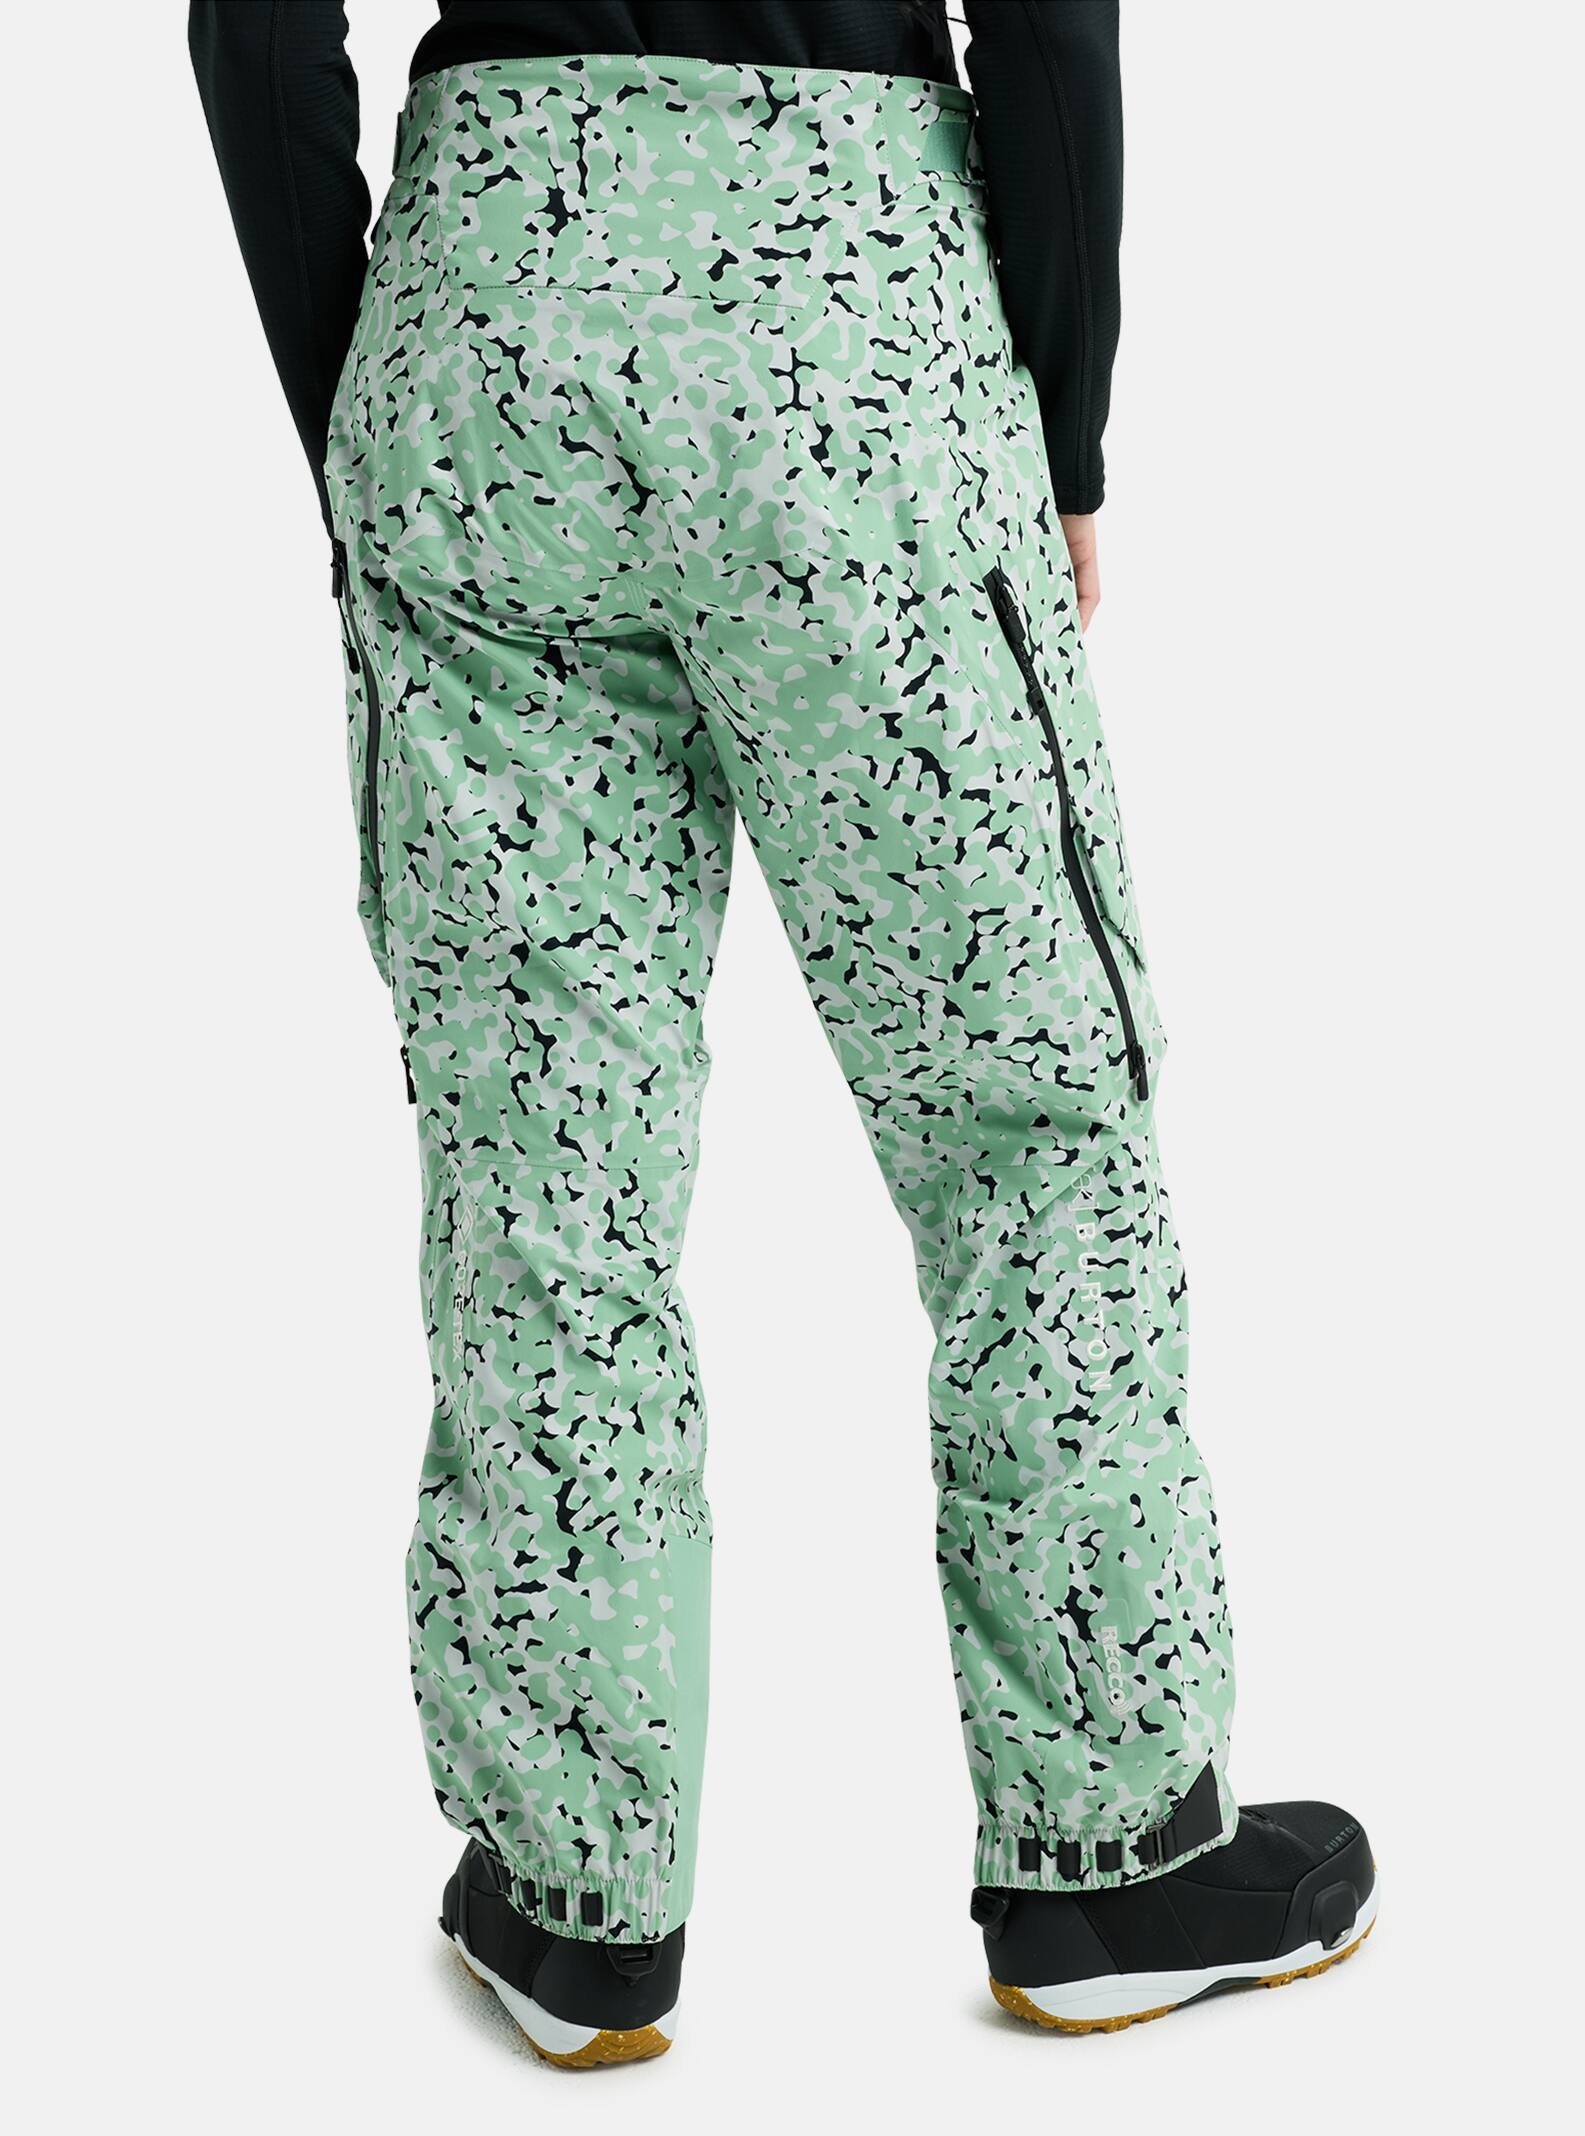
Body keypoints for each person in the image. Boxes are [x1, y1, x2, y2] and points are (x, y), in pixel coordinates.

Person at [190, 0, 1373, 2066]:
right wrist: (1063, 429)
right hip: (854, 330)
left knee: (542, 1156)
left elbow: (254, 23)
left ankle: (572, 1904)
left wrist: (366, 405)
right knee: (1025, 1127)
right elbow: (1047, 24)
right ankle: (1112, 1858)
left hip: (479, 324)